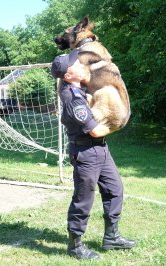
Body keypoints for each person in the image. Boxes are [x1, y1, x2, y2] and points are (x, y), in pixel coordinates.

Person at [51, 49, 136, 260]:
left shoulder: (80, 89)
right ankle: (75, 245)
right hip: (86, 152)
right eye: (76, 65)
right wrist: (119, 125)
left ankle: (112, 237)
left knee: (114, 188)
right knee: (83, 199)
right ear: (68, 75)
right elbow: (96, 130)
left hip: (100, 149)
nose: (81, 65)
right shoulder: (73, 100)